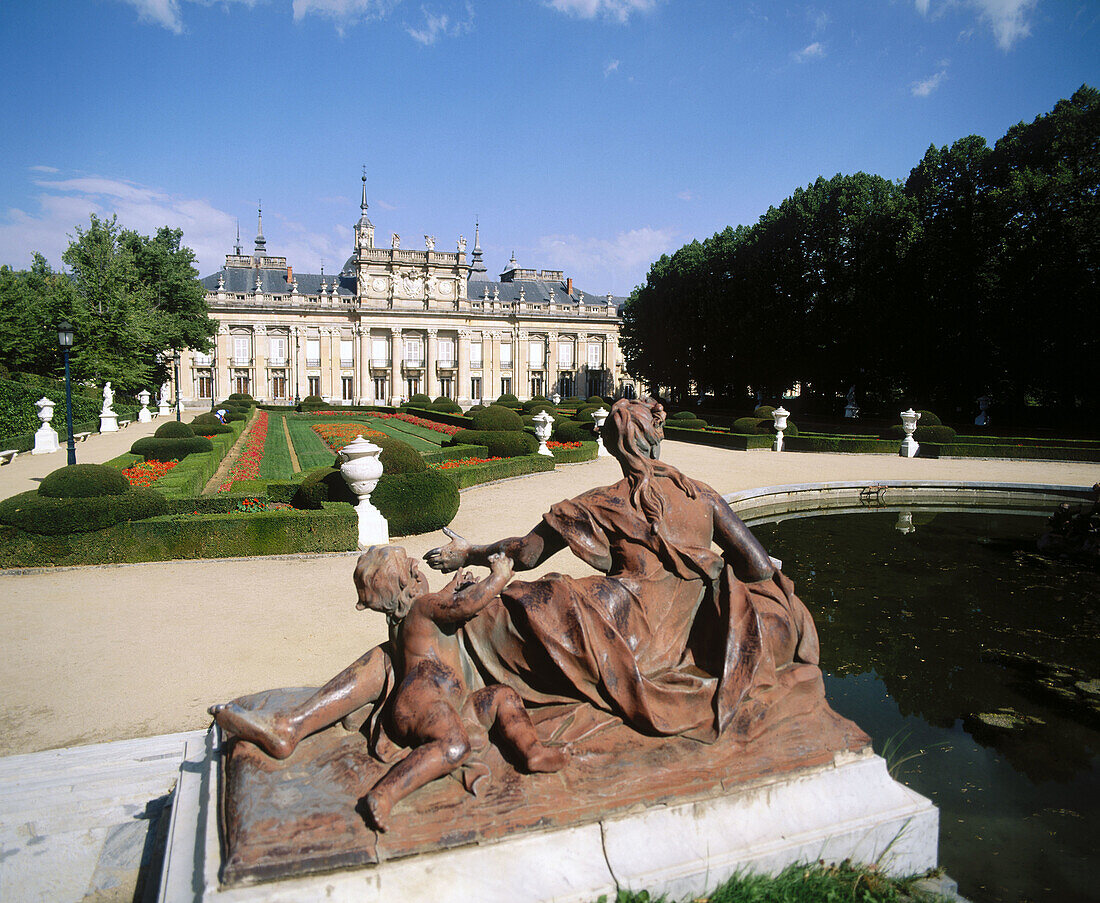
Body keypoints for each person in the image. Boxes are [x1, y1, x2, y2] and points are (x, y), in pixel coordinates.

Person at [211, 399, 822, 790]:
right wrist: (773, 612)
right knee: (452, 625)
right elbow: (757, 564)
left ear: (612, 445)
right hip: (671, 637)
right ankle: (304, 720)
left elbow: (524, 554)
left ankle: (301, 720)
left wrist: (468, 554)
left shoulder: (598, 505)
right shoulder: (707, 496)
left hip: (606, 627)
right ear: (654, 441)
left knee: (457, 622)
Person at [211, 547, 568, 830]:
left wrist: (451, 587)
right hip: (425, 704)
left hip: (446, 702)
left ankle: (533, 752)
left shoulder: (406, 618)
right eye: (412, 565)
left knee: (504, 696)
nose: (418, 565)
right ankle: (384, 794)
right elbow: (466, 605)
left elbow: (444, 606)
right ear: (409, 582)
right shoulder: (427, 609)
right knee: (454, 745)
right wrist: (499, 576)